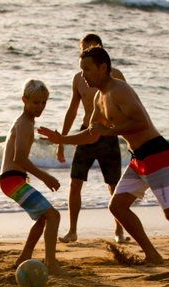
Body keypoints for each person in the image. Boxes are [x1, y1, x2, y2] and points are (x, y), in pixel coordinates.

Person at [38, 47, 169, 269]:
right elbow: (91, 135)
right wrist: (61, 139)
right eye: (81, 70)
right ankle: (152, 254)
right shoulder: (99, 97)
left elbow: (141, 122)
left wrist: (109, 131)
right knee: (117, 206)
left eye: (87, 69)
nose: (83, 75)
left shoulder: (119, 90)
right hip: (139, 158)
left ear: (103, 68)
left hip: (155, 153)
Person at [56, 33, 128, 244]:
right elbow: (72, 109)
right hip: (86, 132)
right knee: (75, 183)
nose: (86, 52)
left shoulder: (116, 76)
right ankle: (72, 230)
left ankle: (119, 230)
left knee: (113, 185)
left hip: (107, 135)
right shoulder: (79, 78)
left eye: (91, 48)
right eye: (83, 49)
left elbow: (126, 106)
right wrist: (62, 139)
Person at [0, 79, 67, 275]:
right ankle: (51, 264)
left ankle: (24, 256)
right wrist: (45, 176)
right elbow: (18, 157)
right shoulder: (24, 124)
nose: (40, 107)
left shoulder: (27, 122)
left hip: (13, 179)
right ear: (24, 100)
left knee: (43, 217)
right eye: (36, 102)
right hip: (11, 180)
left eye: (44, 103)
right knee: (53, 215)